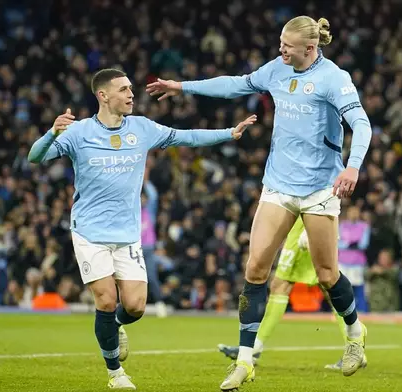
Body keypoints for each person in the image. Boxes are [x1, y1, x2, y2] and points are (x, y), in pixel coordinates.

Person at [147, 16, 372, 390]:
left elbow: (362, 124)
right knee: (255, 270)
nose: (280, 50)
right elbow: (235, 85)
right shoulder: (276, 70)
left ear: (310, 49)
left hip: (319, 189)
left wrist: (352, 167)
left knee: (327, 275)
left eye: (287, 45)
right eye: (280, 43)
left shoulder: (334, 78)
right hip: (278, 185)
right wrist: (181, 86)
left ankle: (354, 333)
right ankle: (246, 361)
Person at [28, 68, 256, 389]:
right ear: (103, 96)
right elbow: (35, 157)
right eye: (123, 90)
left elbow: (185, 136)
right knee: (106, 301)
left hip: (128, 234)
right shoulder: (78, 133)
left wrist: (228, 132)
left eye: (131, 88)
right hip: (90, 232)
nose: (131, 94)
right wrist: (51, 133)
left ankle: (115, 325)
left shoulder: (142, 128)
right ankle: (115, 373)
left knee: (134, 307)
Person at [216, 217, 368, 370]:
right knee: (314, 284)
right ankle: (355, 346)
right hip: (302, 225)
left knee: (320, 282)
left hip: (307, 223)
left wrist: (305, 231)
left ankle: (355, 345)